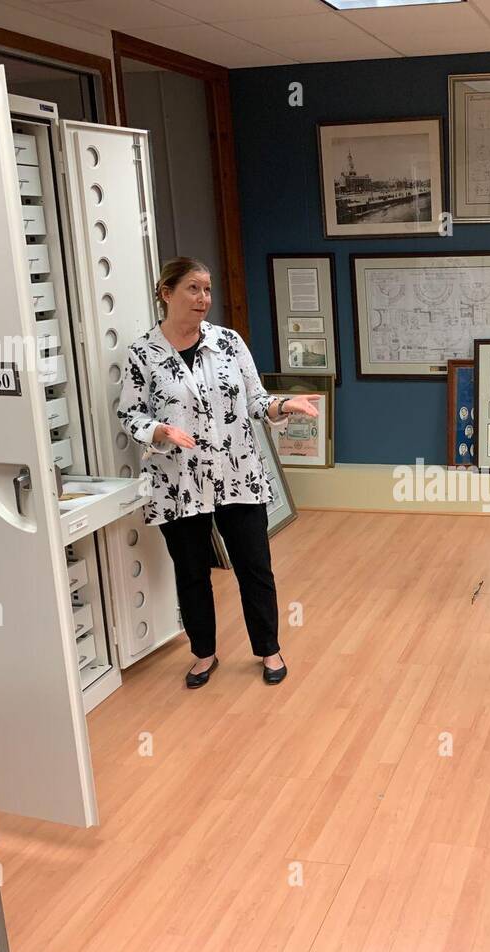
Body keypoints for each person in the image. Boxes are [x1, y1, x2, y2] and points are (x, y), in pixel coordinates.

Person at [117, 257, 318, 688]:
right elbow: (129, 413)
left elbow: (255, 401)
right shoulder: (143, 353)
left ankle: (269, 649)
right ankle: (203, 653)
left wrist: (285, 405)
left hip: (237, 473)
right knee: (191, 573)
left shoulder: (228, 342)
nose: (203, 298)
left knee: (254, 567)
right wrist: (158, 429)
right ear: (166, 293)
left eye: (208, 290)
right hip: (179, 482)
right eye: (193, 288)